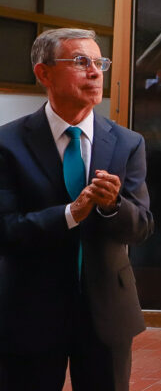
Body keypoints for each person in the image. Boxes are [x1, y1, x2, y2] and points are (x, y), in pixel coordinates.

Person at [0, 28, 153, 391]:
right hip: (29, 310)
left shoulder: (127, 143)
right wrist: (71, 213)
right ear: (44, 73)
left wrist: (114, 205)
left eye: (99, 62)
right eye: (80, 62)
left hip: (107, 313)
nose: (96, 72)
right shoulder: (7, 144)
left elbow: (142, 227)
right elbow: (5, 230)